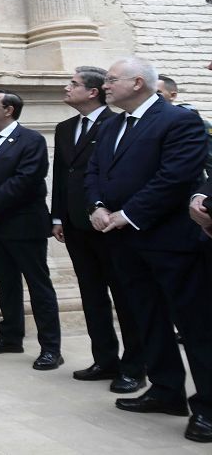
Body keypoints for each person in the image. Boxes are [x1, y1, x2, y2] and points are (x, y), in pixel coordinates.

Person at [86, 57, 212, 443]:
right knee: (146, 317)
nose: (105, 86)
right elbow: (95, 170)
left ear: (137, 82)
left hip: (170, 242)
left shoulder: (178, 120)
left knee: (195, 326)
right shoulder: (112, 125)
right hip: (123, 241)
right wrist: (97, 207)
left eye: (110, 80)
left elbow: (174, 177)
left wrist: (128, 214)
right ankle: (165, 389)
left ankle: (208, 406)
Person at [51, 67, 144, 392]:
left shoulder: (117, 124)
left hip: (109, 225)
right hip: (76, 226)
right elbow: (62, 176)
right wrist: (58, 218)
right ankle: (105, 359)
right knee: (92, 296)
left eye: (73, 84)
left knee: (125, 296)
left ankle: (134, 366)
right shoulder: (64, 128)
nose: (67, 88)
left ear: (93, 92)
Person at [0, 90, 62, 371]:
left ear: (9, 110)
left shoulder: (32, 141)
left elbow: (27, 180)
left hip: (24, 226)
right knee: (6, 284)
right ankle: (10, 337)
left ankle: (51, 349)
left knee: (39, 287)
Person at [155, 74, 212, 178]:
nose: (152, 97)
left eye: (158, 93)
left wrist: (204, 192)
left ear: (172, 95)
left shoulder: (192, 123)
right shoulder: (137, 121)